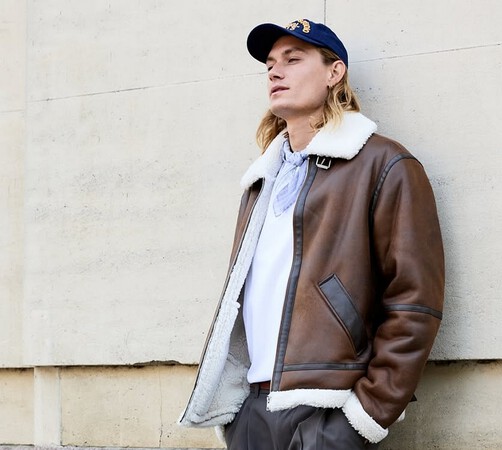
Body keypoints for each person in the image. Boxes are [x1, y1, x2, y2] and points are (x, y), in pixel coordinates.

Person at [179, 18, 445, 449]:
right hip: (252, 410)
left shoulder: (384, 165)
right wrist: (236, 413)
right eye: (270, 64)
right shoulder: (262, 180)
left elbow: (414, 302)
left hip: (328, 410)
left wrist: (364, 416)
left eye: (293, 59)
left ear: (334, 72)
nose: (275, 72)